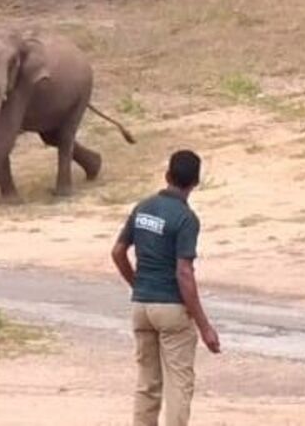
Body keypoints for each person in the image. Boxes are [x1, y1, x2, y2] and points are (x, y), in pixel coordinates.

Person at [111, 149, 221, 426]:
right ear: (195, 182)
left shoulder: (143, 208)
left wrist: (138, 284)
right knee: (179, 385)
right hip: (171, 309)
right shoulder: (186, 219)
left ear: (167, 175)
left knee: (147, 384)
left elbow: (118, 252)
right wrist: (204, 325)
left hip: (141, 306)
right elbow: (184, 273)